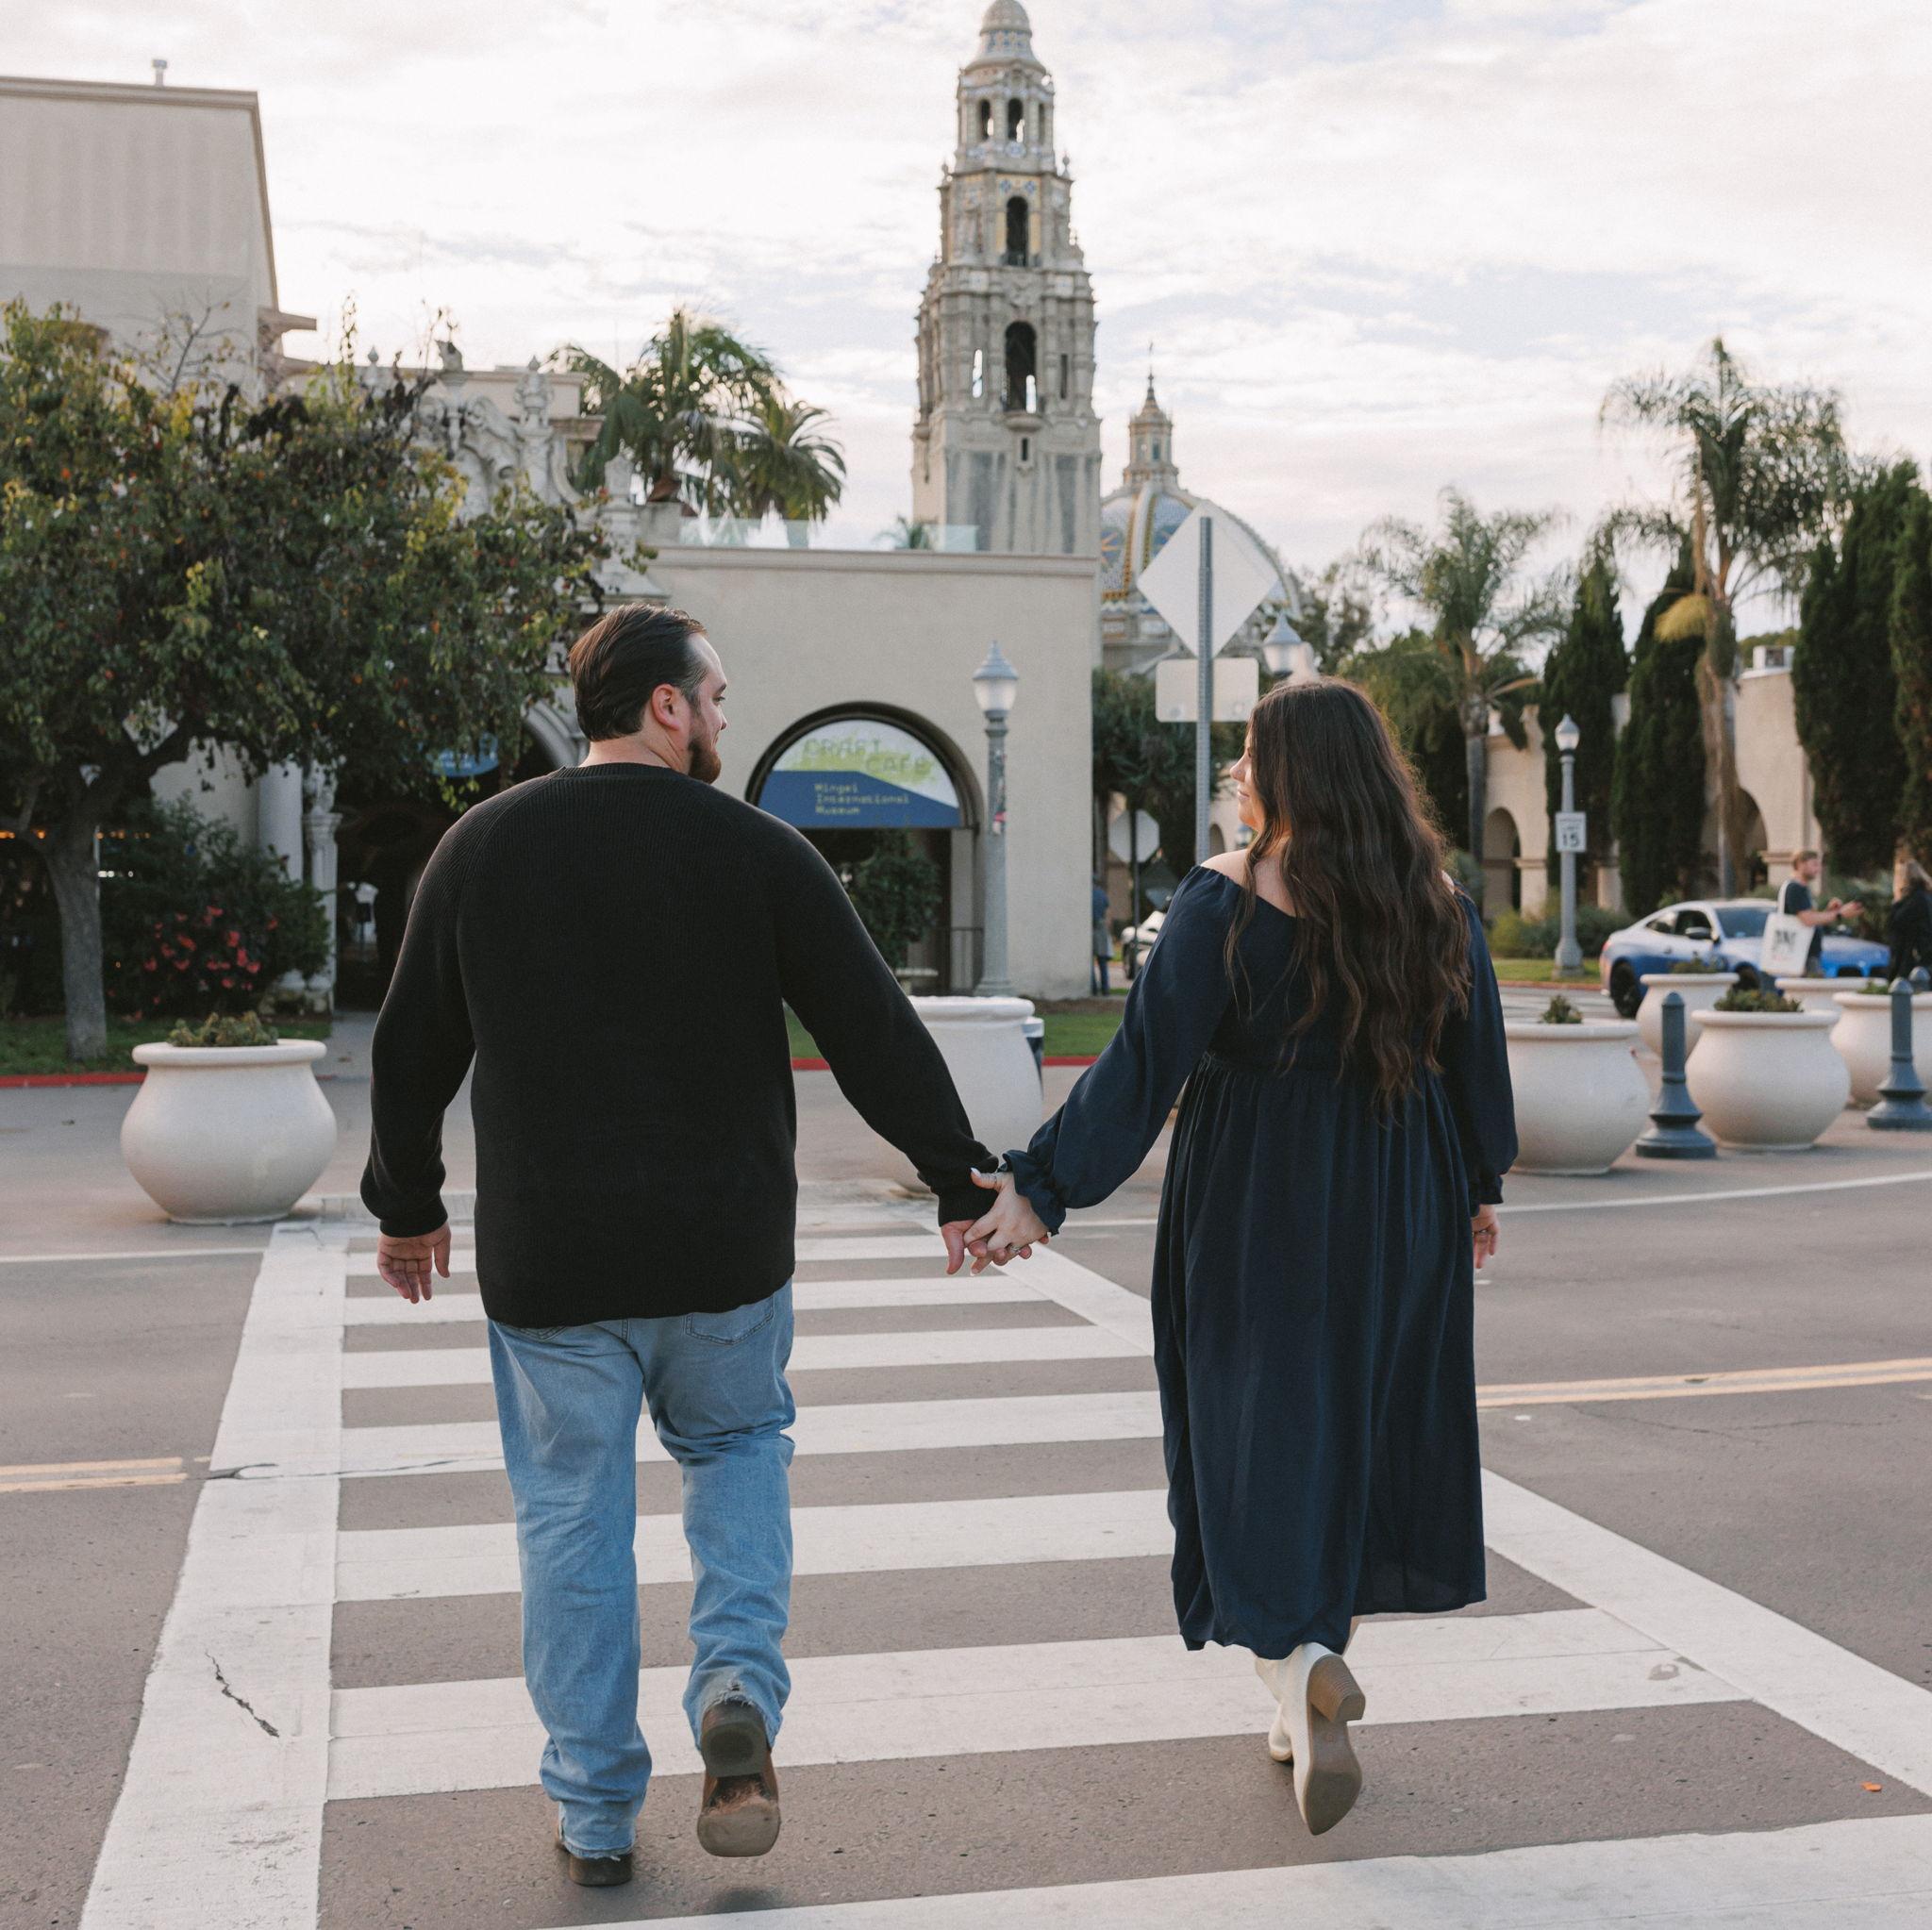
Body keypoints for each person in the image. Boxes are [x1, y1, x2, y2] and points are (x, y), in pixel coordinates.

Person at [361, 604, 994, 1888]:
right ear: (664, 705)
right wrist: (957, 1177)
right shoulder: (759, 850)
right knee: (740, 1449)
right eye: (714, 695)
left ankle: (595, 1812)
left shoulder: (479, 848)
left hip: (553, 1265)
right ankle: (736, 1690)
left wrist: (408, 1204)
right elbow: (872, 1029)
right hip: (723, 1254)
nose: (722, 716)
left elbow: (410, 1044)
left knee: (569, 1518)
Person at [965, 675, 1516, 1837]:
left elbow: (1141, 1066)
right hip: (1402, 1185)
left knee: (1253, 1426)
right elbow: (1476, 1060)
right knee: (1357, 1425)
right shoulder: (1436, 898)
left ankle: (1297, 1659)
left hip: (1262, 1185)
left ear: (1284, 770)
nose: (1238, 775)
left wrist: (1041, 1190)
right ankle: (1298, 1694)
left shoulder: (1225, 896)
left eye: (1250, 755)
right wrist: (1472, 1187)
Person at [1777, 850, 1860, 975]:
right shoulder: (1795, 888)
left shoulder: (1801, 889)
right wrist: (1839, 914)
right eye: (1815, 864)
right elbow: (1807, 920)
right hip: (1800, 954)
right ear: (1801, 864)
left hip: (1805, 953)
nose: (1819, 869)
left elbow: (1810, 918)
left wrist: (1829, 911)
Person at [1889, 859, 1932, 981]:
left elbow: (1895, 924)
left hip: (1914, 963)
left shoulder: (1913, 901)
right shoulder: (1926, 897)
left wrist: (1896, 901)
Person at [1091, 877, 1113, 993]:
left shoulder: (1087, 894)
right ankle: (1105, 989)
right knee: (1102, 962)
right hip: (1102, 929)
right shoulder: (1102, 894)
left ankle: (1093, 988)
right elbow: (1108, 915)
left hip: (1090, 929)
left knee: (1089, 962)